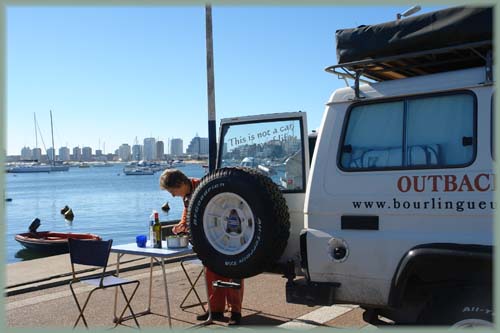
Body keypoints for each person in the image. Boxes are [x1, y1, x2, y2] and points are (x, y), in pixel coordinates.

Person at [159, 169, 244, 325]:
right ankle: (215, 310)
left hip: (228, 235)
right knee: (211, 273)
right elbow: (188, 211)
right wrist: (182, 224)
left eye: (173, 191)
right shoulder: (187, 194)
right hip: (209, 240)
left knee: (232, 272)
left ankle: (235, 312)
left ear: (181, 183)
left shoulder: (205, 186)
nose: (172, 195)